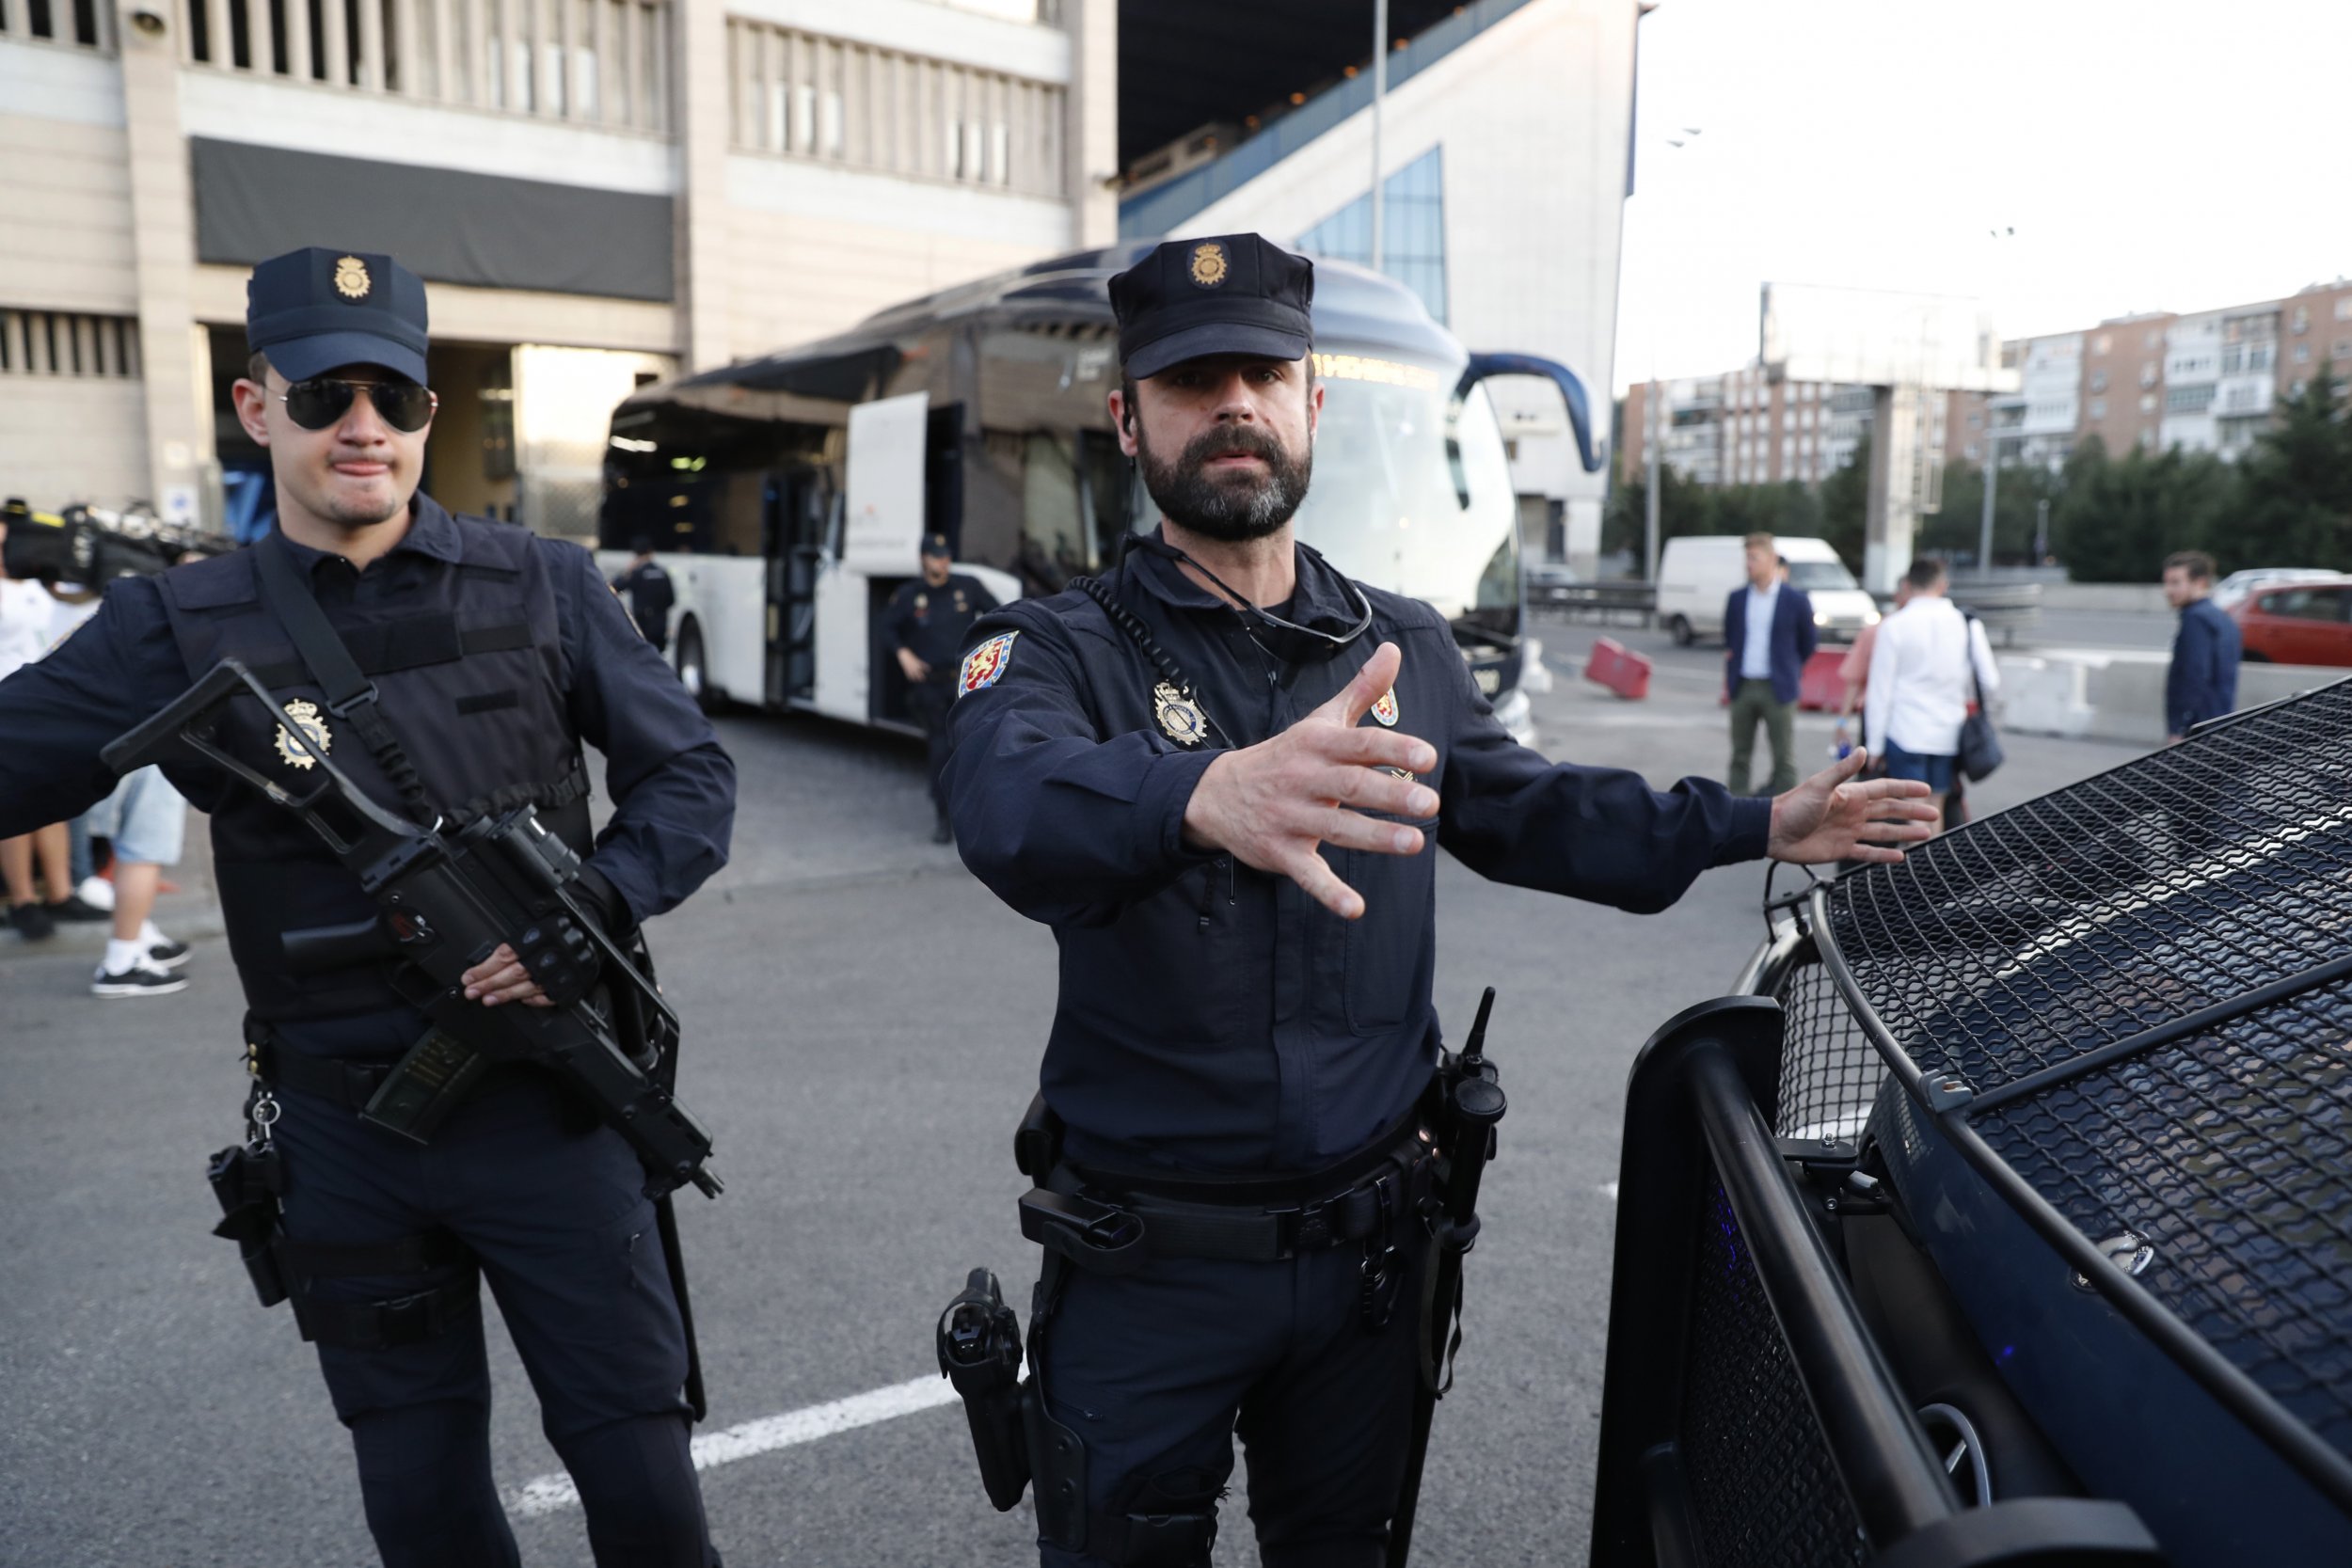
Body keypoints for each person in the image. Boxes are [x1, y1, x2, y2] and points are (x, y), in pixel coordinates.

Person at [944, 233, 1936, 1568]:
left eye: (1262, 374)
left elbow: (1538, 808)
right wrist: (1200, 795)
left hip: (1367, 1269)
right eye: (1189, 381)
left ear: (1312, 406)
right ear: (1130, 420)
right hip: (1146, 1272)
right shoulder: (1057, 650)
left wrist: (1763, 817)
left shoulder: (1400, 642)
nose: (1231, 403)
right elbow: (1005, 801)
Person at [0, 247, 736, 1567]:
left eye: (394, 398)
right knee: (419, 1482)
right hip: (347, 1126)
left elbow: (690, 771)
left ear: (428, 418)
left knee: (639, 1468)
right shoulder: (175, 622)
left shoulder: (543, 581)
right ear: (253, 406)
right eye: (327, 393)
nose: (363, 427)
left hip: (553, 1107)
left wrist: (597, 902)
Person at [1, 540, 108, 938]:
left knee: (54, 802)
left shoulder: (33, 585)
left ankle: (61, 894)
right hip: (7, 704)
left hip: (43, 699)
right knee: (14, 807)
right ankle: (23, 901)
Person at [1862, 556, 2001, 825]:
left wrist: (1874, 746)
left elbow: (1880, 690)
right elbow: (1990, 680)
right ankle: (1931, 864)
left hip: (1904, 730)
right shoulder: (1967, 623)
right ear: (1943, 585)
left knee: (1912, 810)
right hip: (1948, 731)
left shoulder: (1894, 625)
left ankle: (1915, 864)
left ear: (1908, 584)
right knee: (1935, 807)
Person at [882, 532, 999, 842]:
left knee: (975, 748)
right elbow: (887, 628)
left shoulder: (967, 586)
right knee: (940, 750)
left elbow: (999, 615)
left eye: (946, 556)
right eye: (936, 557)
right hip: (931, 686)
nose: (943, 562)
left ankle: (978, 814)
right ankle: (943, 817)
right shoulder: (910, 595)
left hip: (965, 683)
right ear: (924, 559)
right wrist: (903, 653)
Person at [80, 764, 194, 995]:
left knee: (129, 845)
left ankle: (136, 933)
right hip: (142, 746)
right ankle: (122, 961)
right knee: (143, 851)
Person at [1723, 533, 1817, 795]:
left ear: (1772, 560)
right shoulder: (1738, 598)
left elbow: (1808, 642)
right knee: (1739, 756)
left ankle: (1789, 816)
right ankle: (1735, 812)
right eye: (1747, 558)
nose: (1748, 564)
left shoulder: (1795, 600)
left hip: (1779, 688)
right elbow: (1730, 638)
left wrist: (1790, 668)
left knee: (1783, 758)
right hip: (1743, 685)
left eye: (1754, 558)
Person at [2163, 549, 2240, 743]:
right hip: (2220, 722)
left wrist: (2180, 727)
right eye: (2167, 582)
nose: (2168, 590)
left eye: (2176, 583)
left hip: (2198, 728)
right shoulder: (2221, 618)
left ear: (2200, 583)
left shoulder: (2195, 618)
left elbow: (2194, 675)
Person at [612, 537, 676, 654]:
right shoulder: (662, 572)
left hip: (642, 624)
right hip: (660, 623)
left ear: (635, 554)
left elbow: (614, 588)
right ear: (651, 551)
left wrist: (627, 571)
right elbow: (671, 600)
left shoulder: (636, 574)